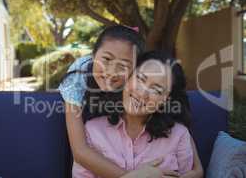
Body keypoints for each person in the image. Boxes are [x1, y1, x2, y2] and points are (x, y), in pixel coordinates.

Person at [59, 26, 203, 178]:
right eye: (106, 59)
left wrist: (198, 170)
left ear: (132, 70)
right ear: (94, 55)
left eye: (123, 66)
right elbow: (80, 151)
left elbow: (179, 128)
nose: (112, 72)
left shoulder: (176, 131)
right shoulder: (78, 80)